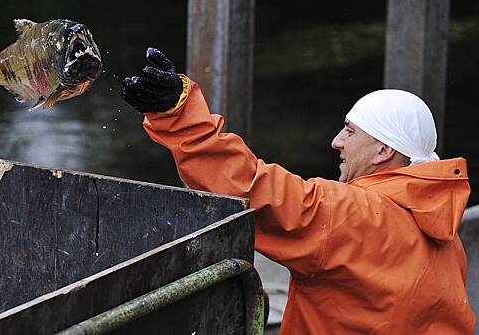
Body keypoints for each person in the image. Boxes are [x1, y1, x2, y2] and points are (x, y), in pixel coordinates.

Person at [121, 48, 475, 334]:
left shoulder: (351, 216)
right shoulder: (445, 233)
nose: (336, 142)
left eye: (350, 132)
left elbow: (249, 186)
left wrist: (177, 113)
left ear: (384, 151)